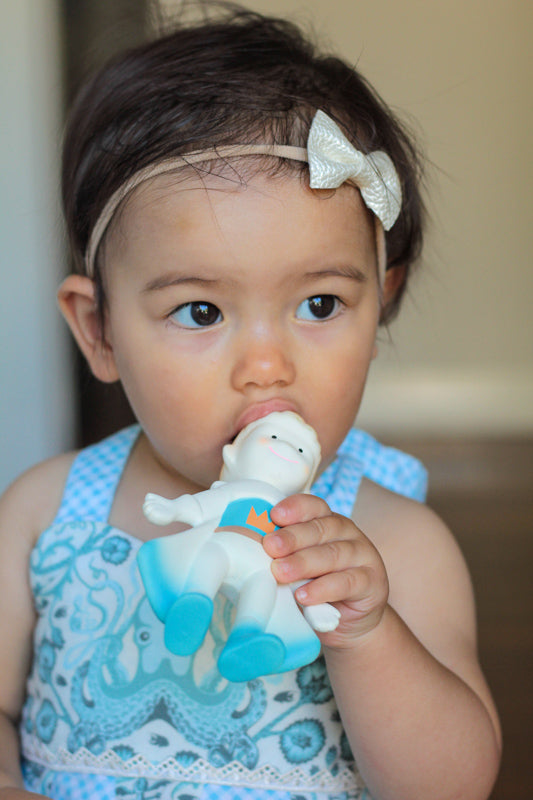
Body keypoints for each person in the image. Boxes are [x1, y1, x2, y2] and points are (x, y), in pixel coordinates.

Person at [0, 5, 501, 800]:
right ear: (99, 332)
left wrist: (365, 632)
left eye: (321, 305)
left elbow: (449, 786)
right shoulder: (43, 513)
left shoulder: (395, 541)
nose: (266, 367)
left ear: (380, 305)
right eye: (201, 312)